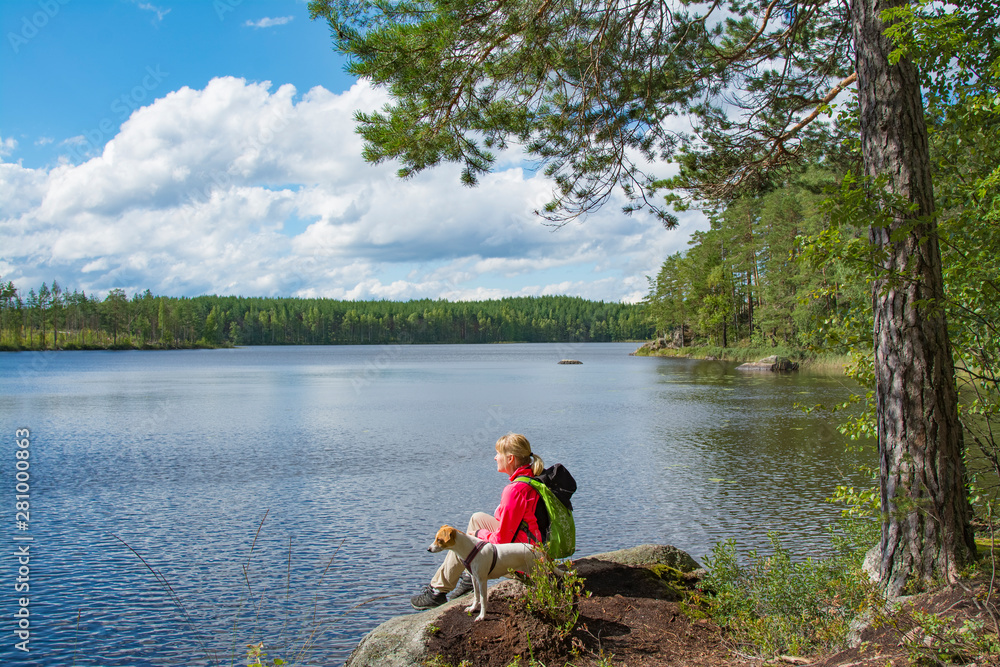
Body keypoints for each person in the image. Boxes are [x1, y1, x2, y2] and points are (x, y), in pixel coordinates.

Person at [410, 432, 545, 610]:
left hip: (522, 561)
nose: (495, 457)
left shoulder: (514, 491)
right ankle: (469, 577)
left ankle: (437, 591)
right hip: (532, 546)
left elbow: (502, 540)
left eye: (498, 453)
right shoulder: (529, 478)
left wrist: (478, 535)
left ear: (510, 458)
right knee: (477, 518)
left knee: (461, 540)